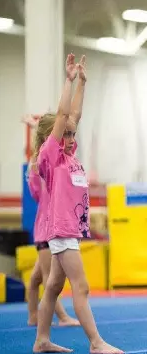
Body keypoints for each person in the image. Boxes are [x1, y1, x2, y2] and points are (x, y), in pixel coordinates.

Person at [33, 54, 123, 354]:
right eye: (66, 135)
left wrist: (83, 82)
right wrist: (68, 82)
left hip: (68, 231)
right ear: (51, 139)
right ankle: (96, 343)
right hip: (61, 232)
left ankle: (42, 340)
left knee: (55, 286)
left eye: (73, 135)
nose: (72, 138)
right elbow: (62, 116)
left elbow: (73, 117)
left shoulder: (70, 159)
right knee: (81, 287)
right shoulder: (51, 157)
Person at [23, 115, 80, 328]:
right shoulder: (41, 165)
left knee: (38, 277)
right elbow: (37, 192)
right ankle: (63, 317)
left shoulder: (51, 162)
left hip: (46, 226)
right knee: (50, 279)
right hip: (47, 228)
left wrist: (34, 126)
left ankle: (32, 315)